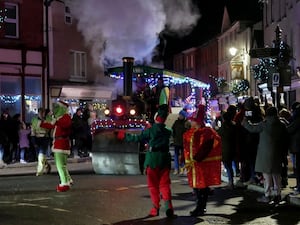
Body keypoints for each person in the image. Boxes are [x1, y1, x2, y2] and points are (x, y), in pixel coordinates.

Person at [117, 104, 174, 218]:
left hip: (152, 159)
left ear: (156, 117)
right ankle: (169, 207)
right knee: (165, 185)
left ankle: (155, 208)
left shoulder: (150, 131)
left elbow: (137, 138)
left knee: (153, 186)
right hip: (164, 159)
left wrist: (124, 136)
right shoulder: (168, 131)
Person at [242, 106, 288, 204]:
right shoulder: (281, 124)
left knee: (267, 177)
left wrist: (246, 122)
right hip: (278, 153)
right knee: (277, 176)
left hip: (265, 154)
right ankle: (278, 195)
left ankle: (268, 195)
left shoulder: (264, 124)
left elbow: (252, 129)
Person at [183, 104, 222, 216]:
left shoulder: (206, 132)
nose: (191, 122)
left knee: (201, 187)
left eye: (193, 121)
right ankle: (200, 206)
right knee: (197, 187)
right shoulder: (191, 132)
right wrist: (184, 158)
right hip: (194, 165)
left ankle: (200, 208)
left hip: (201, 165)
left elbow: (206, 147)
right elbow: (187, 147)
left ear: (198, 121)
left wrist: (197, 158)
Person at [41, 100, 73, 192]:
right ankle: (68, 180)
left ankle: (64, 183)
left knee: (60, 165)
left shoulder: (65, 117)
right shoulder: (60, 118)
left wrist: (55, 121)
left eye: (56, 108)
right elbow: (51, 126)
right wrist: (42, 124)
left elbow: (66, 125)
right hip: (59, 143)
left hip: (61, 143)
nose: (55, 109)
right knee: (62, 165)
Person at [217, 111, 237, 189]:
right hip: (233, 148)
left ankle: (231, 182)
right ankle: (231, 181)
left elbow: (219, 135)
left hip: (225, 149)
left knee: (228, 166)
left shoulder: (223, 127)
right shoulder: (233, 126)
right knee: (231, 165)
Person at [31, 108, 51, 176]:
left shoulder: (48, 119)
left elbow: (50, 128)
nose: (42, 114)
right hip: (37, 139)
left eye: (43, 113)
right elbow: (33, 130)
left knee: (41, 155)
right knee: (39, 156)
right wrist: (33, 140)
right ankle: (46, 165)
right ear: (38, 113)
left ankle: (39, 171)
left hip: (45, 138)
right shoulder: (34, 120)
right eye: (41, 112)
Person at [287, 102, 300, 197]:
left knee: (298, 168)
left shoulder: (297, 120)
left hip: (298, 147)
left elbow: (289, 130)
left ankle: (299, 188)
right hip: (297, 147)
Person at [171, 109, 188, 175]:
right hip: (177, 142)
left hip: (183, 142)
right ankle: (176, 169)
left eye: (181, 115)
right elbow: (173, 130)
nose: (180, 116)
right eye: (180, 115)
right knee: (176, 155)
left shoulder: (186, 123)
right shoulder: (176, 122)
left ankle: (182, 168)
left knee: (183, 156)